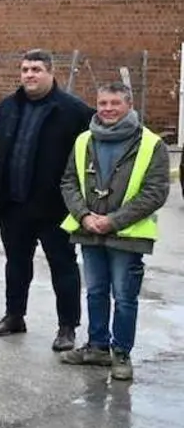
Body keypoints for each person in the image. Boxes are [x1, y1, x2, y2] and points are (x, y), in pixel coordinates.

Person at [59, 82, 169, 382]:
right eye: (102, 103)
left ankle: (121, 353)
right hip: (90, 230)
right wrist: (83, 216)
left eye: (114, 103)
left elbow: (155, 192)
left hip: (128, 236)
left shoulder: (151, 144)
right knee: (95, 291)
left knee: (124, 296)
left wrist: (113, 221)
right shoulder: (84, 140)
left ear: (129, 105)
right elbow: (68, 181)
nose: (107, 109)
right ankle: (97, 346)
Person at [0, 49, 95, 351]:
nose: (29, 75)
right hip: (13, 204)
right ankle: (14, 315)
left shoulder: (74, 111)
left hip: (56, 208)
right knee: (16, 264)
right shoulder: (7, 107)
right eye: (24, 69)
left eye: (36, 69)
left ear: (50, 72)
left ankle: (67, 327)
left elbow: (88, 159)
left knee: (63, 266)